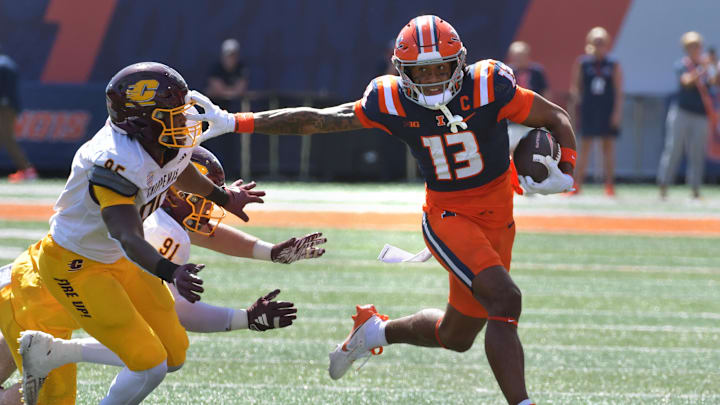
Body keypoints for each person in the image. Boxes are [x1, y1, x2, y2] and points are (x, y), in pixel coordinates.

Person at [189, 15, 577, 405]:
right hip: (449, 217)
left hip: (498, 213)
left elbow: (555, 116)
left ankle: (375, 331)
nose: (433, 80)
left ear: (460, 62)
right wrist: (235, 121)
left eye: (442, 68)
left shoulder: (490, 85)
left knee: (456, 336)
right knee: (505, 299)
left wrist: (567, 168)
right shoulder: (390, 100)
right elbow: (320, 120)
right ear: (402, 71)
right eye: (421, 72)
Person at [12, 61, 266, 405]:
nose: (185, 122)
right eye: (173, 116)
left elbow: (178, 168)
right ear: (141, 122)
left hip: (114, 257)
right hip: (75, 264)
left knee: (174, 353)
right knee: (150, 365)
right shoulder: (114, 161)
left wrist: (223, 197)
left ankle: (56, 353)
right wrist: (171, 271)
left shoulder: (159, 142)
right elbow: (127, 235)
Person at [0, 146, 326, 405]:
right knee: (59, 393)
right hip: (37, 306)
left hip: (24, 284)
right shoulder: (161, 231)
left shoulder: (148, 205)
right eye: (201, 194)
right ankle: (56, 353)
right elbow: (177, 312)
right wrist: (246, 318)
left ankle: (55, 353)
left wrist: (268, 252)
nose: (208, 205)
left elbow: (205, 231)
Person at [657, 31, 717, 200]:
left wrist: (713, 67)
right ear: (686, 48)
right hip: (682, 112)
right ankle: (663, 186)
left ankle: (695, 189)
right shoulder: (683, 64)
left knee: (697, 152)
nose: (695, 48)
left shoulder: (707, 66)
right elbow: (686, 81)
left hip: (701, 115)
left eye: (697, 45)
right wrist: (702, 69)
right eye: (691, 45)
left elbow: (714, 83)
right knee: (673, 149)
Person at [568, 26, 623, 196]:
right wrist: (573, 104)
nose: (599, 45)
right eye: (596, 42)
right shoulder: (583, 63)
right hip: (589, 110)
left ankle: (609, 186)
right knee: (584, 148)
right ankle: (577, 185)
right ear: (590, 43)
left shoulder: (613, 64)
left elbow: (619, 91)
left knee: (608, 148)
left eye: (602, 42)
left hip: (606, 110)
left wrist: (616, 113)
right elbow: (576, 87)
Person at [506, 41, 551, 153]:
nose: (519, 59)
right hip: (514, 120)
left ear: (527, 56)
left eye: (521, 56)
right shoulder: (506, 72)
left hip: (533, 119)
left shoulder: (537, 72)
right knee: (510, 149)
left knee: (538, 150)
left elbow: (545, 93)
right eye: (516, 56)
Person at [0, 46, 36, 182]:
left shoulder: (2, 64)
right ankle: (26, 169)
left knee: (7, 138)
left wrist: (4, 103)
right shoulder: (6, 62)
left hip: (5, 107)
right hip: (8, 106)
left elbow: (4, 89)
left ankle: (26, 169)